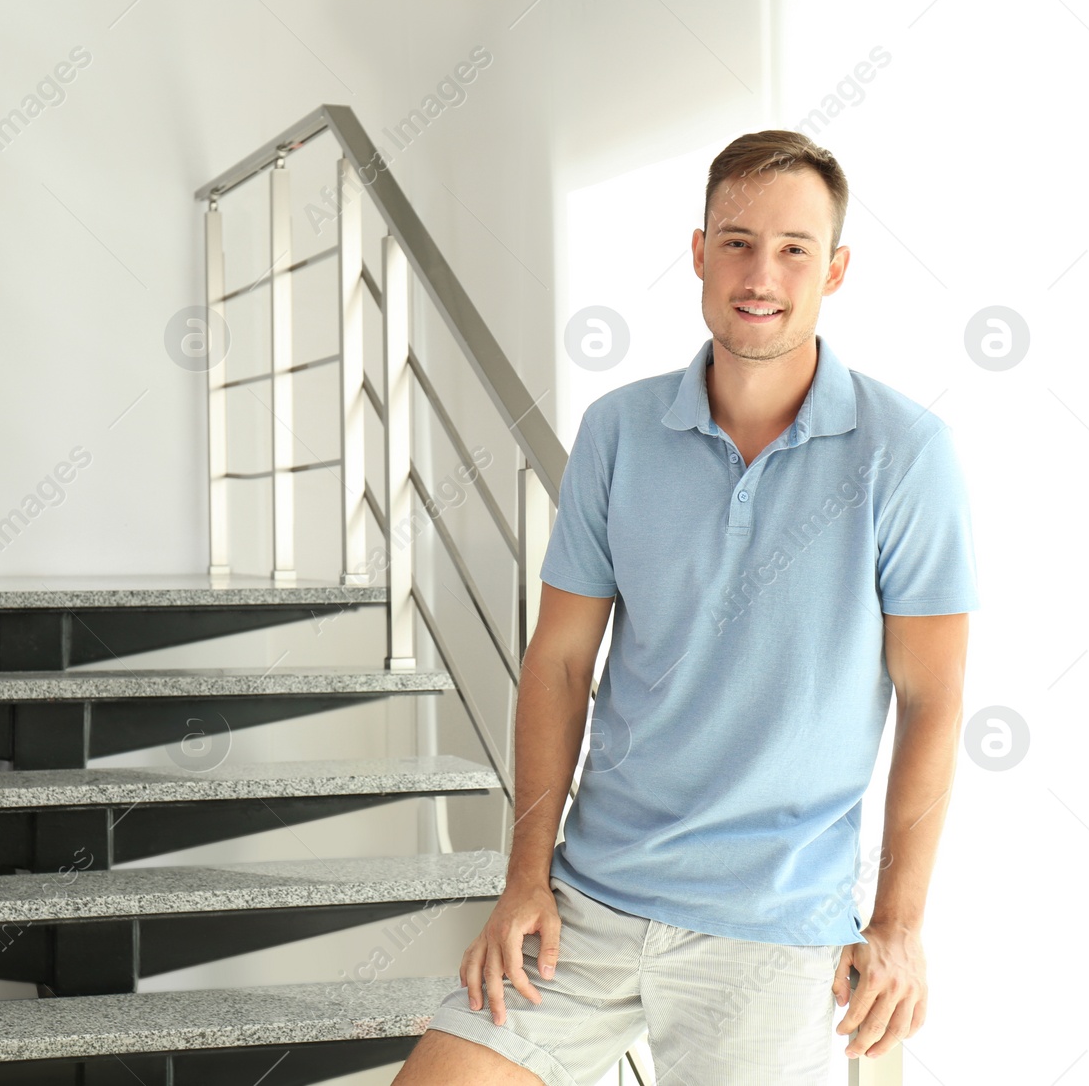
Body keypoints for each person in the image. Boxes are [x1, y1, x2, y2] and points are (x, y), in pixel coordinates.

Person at [392, 129, 978, 1085]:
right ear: (699, 252)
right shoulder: (618, 430)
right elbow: (562, 663)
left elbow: (932, 698)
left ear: (834, 270)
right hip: (588, 903)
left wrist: (900, 924)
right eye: (738, 241)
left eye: (794, 248)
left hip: (773, 929)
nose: (762, 273)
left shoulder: (903, 452)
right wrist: (523, 878)